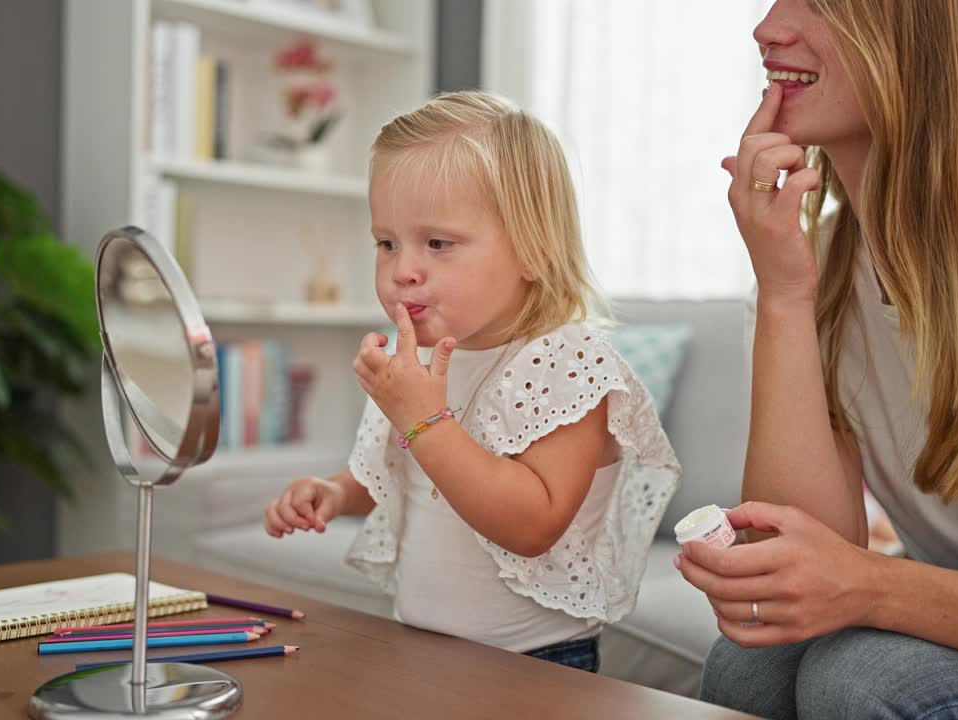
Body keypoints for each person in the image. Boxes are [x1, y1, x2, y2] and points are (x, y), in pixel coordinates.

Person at [677, 0, 958, 717]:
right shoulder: (820, 264)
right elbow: (796, 557)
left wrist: (878, 587)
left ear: (929, 35)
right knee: (752, 665)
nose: (768, 28)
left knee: (866, 679)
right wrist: (785, 298)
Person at [263, 91, 680, 672]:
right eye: (387, 243)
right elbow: (402, 469)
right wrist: (337, 492)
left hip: (537, 666)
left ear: (533, 247)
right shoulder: (429, 356)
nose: (403, 268)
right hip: (421, 645)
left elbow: (532, 524)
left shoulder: (569, 362)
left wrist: (422, 418)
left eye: (437, 243)